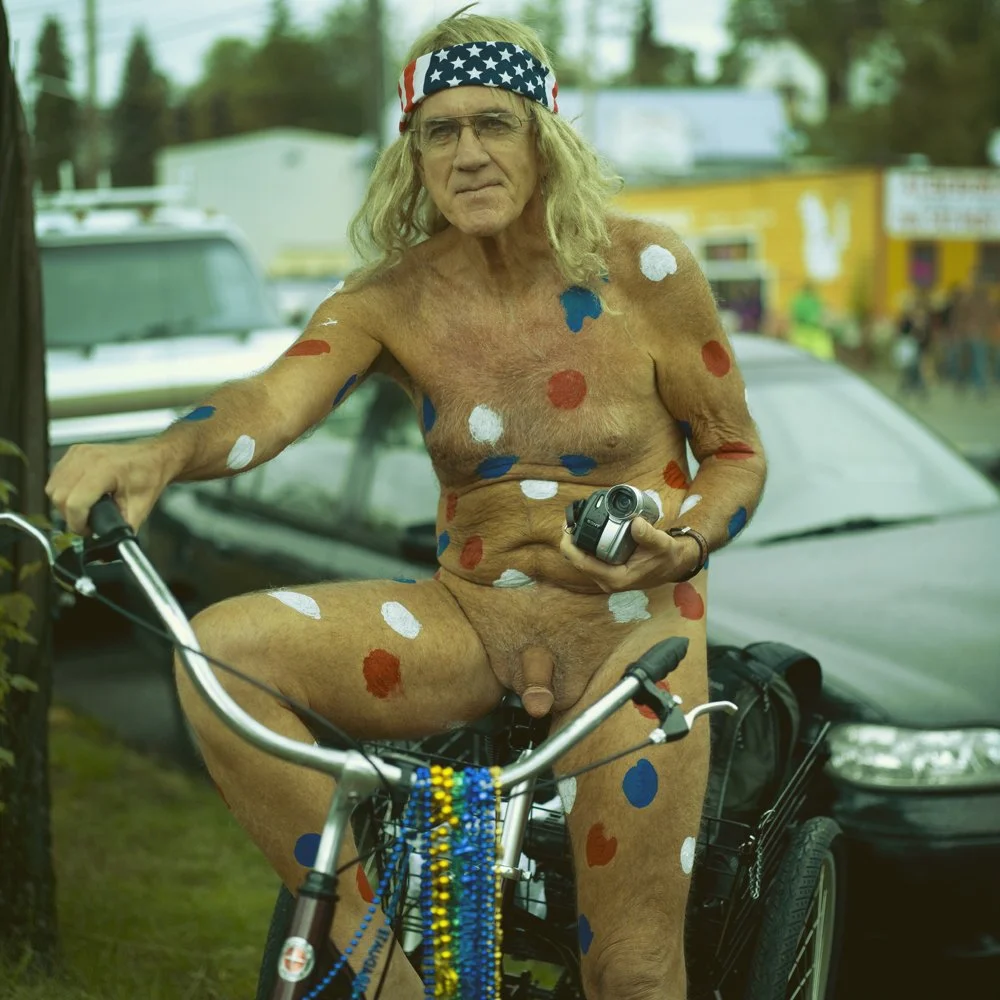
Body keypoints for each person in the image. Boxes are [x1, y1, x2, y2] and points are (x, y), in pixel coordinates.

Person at [45, 9, 766, 998]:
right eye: (439, 130)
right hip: (468, 623)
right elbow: (270, 403)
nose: (468, 153)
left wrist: (683, 542)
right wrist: (159, 454)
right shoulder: (390, 297)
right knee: (222, 655)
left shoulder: (646, 269)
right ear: (413, 155)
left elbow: (734, 453)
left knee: (634, 973)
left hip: (631, 638)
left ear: (543, 135)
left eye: (493, 122)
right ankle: (380, 966)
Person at [788, 281, 835, 361]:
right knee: (822, 357)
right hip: (815, 335)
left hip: (800, 334)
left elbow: (792, 316)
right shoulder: (815, 300)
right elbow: (820, 316)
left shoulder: (797, 300)